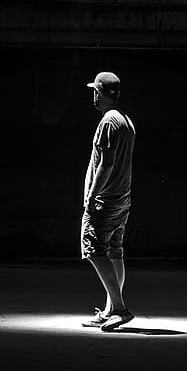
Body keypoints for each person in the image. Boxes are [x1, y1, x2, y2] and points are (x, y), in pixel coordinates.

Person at [81, 71, 135, 331]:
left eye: (95, 90)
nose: (93, 94)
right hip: (122, 198)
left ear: (99, 93)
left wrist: (91, 195)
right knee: (115, 251)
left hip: (105, 200)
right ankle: (110, 309)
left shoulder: (108, 122)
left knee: (93, 250)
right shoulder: (126, 121)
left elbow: (106, 164)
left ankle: (120, 308)